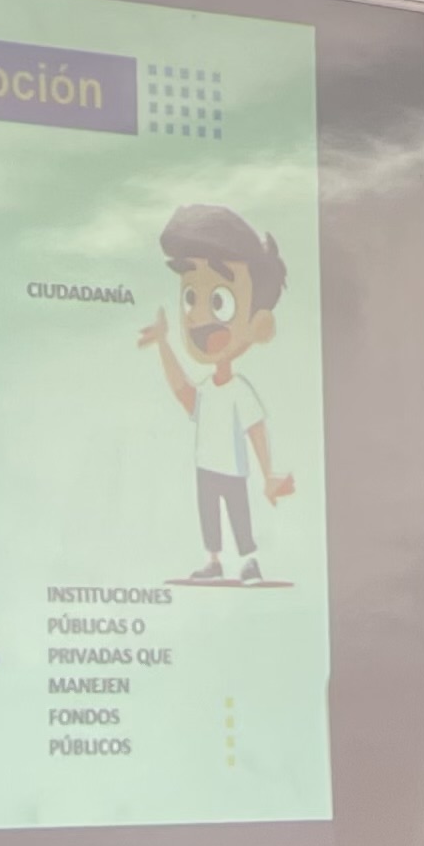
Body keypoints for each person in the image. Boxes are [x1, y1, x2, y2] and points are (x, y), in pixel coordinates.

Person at [134, 202, 298, 584]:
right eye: (191, 298)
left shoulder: (240, 389)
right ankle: (213, 561)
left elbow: (256, 429)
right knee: (208, 513)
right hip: (206, 466)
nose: (198, 317)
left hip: (233, 470)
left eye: (219, 301)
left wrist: (268, 473)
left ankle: (249, 560)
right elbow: (184, 393)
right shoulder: (208, 389)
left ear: (259, 325)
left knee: (238, 513)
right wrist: (163, 344)